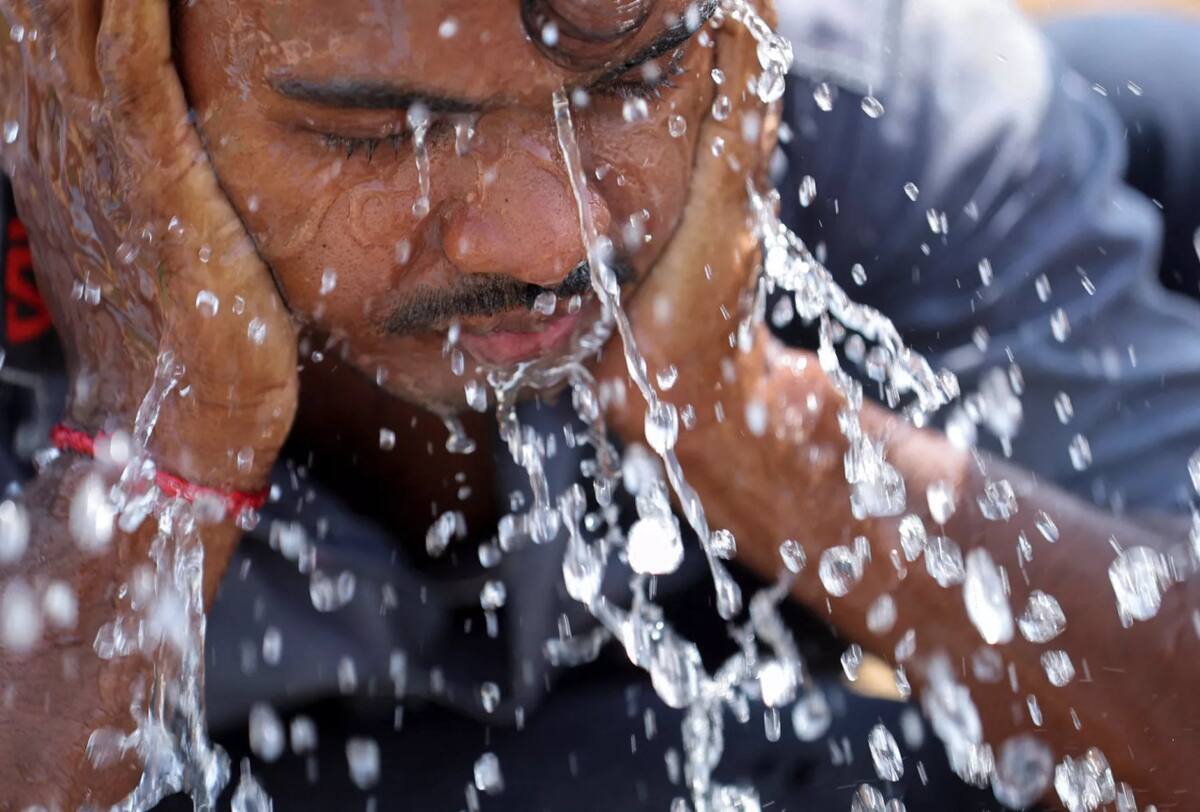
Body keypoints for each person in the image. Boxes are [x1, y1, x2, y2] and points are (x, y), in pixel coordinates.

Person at [0, 0, 1197, 809]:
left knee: (1170, 108)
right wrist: (153, 430)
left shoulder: (845, 78)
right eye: (369, 130)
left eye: (632, 75)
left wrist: (747, 423)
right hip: (266, 744)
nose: (548, 239)